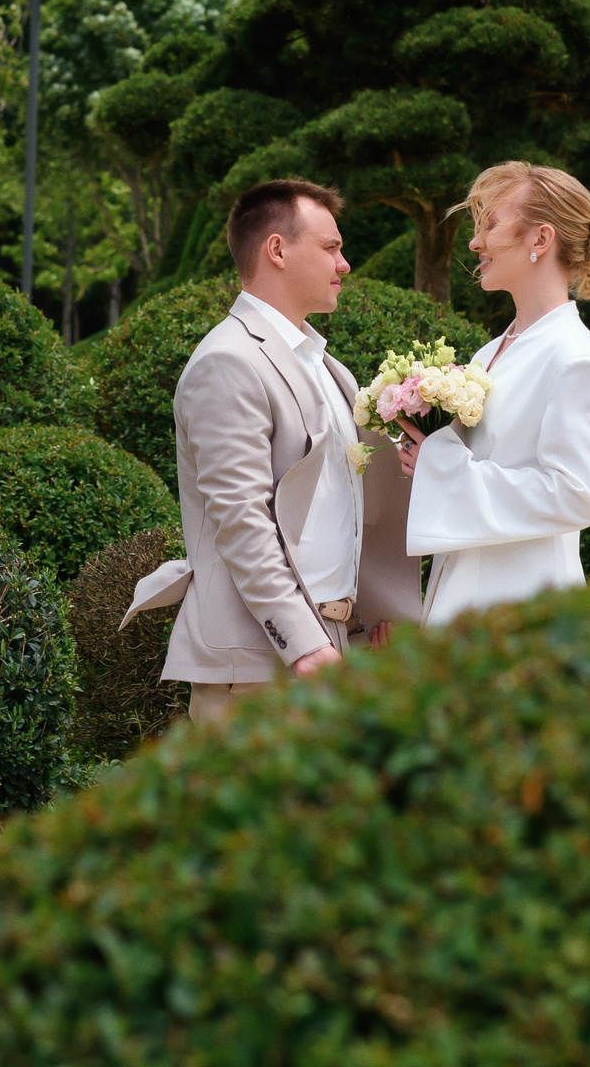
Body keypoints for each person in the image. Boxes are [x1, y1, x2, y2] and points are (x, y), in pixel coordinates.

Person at [123, 178, 421, 725]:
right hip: (260, 662)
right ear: (277, 250)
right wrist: (305, 646)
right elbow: (242, 519)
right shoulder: (228, 362)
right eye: (331, 247)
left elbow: (351, 510)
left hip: (339, 645)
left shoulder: (330, 368)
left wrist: (372, 618)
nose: (346, 263)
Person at [396, 162, 590, 626]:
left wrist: (441, 467)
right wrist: (424, 458)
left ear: (541, 240)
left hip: (526, 612)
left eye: (491, 225)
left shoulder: (574, 357)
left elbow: (578, 493)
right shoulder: (489, 353)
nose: (475, 242)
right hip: (463, 597)